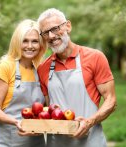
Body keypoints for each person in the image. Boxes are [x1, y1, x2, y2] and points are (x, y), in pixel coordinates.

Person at [37, 8, 117, 147]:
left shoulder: (95, 57)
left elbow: (111, 100)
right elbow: (47, 108)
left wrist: (89, 122)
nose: (51, 36)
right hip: (56, 143)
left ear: (68, 26)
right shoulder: (43, 68)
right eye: (45, 33)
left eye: (55, 29)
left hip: (91, 141)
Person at [0, 19, 47, 147]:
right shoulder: (6, 66)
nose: (30, 46)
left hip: (36, 142)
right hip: (9, 141)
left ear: (41, 44)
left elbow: (45, 108)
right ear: (17, 42)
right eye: (25, 41)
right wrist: (17, 122)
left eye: (35, 41)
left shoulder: (40, 69)